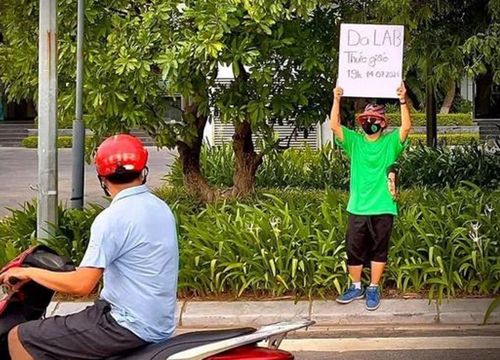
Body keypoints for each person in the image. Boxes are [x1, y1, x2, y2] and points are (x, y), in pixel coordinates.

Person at [0, 134, 179, 359]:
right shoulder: (160, 208)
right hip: (157, 321)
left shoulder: (112, 218)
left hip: (126, 325)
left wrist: (28, 272)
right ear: (143, 171)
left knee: (19, 336)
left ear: (102, 179)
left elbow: (82, 285)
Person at [330, 82, 411, 311]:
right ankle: (356, 286)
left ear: (383, 123)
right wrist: (337, 99)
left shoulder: (390, 143)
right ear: (360, 122)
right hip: (358, 206)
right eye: (366, 119)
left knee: (379, 249)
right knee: (354, 249)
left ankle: (373, 287)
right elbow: (334, 126)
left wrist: (403, 100)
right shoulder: (354, 142)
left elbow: (406, 127)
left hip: (383, 206)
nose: (370, 122)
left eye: (375, 119)